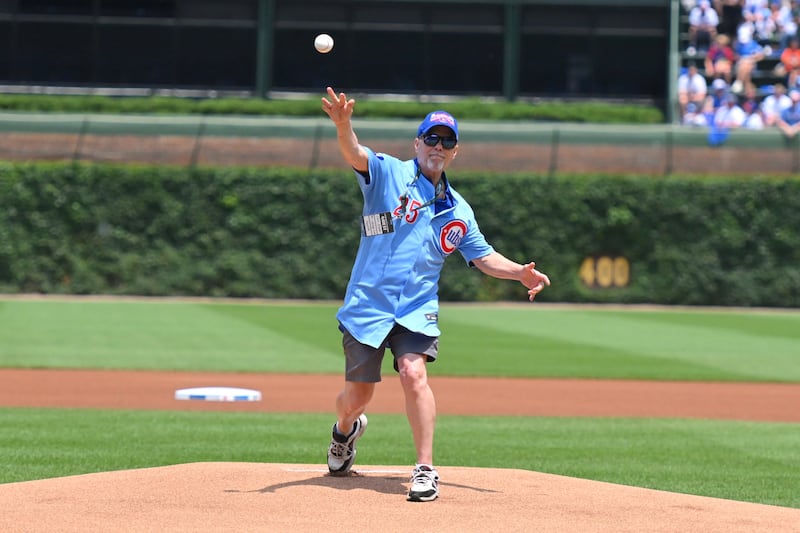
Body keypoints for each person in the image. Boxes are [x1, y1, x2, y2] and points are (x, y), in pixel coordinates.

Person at [320, 86, 551, 502]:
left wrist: (520, 273)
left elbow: (482, 256)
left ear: (455, 152)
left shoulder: (457, 209)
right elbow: (355, 153)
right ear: (417, 143)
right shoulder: (389, 173)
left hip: (416, 308)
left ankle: (425, 470)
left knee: (414, 372)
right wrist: (343, 124)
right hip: (368, 305)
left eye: (447, 141)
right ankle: (344, 431)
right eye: (432, 138)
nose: (438, 147)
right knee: (358, 396)